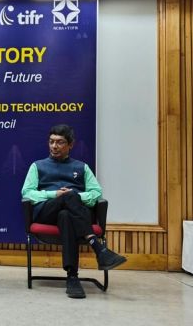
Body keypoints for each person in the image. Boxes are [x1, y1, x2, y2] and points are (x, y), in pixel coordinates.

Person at [21, 124, 127, 299]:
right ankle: (97, 247)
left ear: (70, 145)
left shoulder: (81, 167)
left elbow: (96, 193)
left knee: (67, 213)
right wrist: (54, 194)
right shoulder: (37, 166)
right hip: (48, 212)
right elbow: (27, 193)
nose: (54, 146)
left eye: (60, 142)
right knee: (67, 198)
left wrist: (75, 197)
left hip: (72, 217)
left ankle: (72, 277)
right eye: (51, 142)